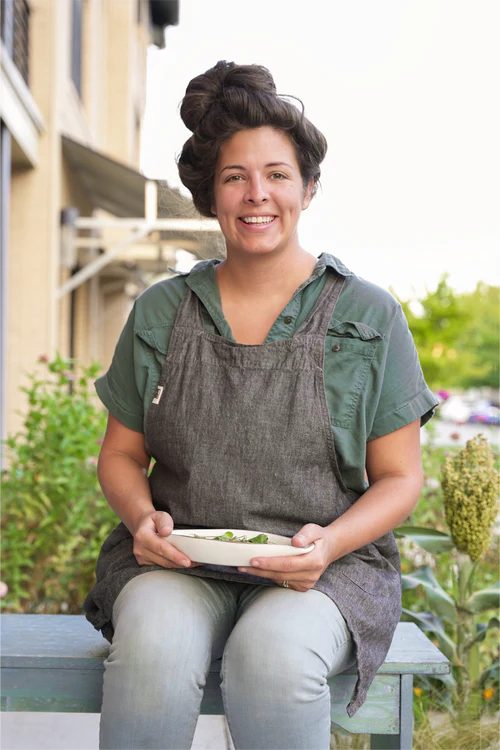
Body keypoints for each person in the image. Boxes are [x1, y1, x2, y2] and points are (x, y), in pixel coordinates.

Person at [84, 60, 439, 750]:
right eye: (234, 177)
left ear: (308, 188)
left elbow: (401, 478)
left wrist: (328, 544)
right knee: (153, 648)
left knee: (271, 661)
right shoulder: (161, 312)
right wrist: (141, 521)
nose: (257, 195)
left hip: (325, 571)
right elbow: (121, 454)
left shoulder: (368, 316)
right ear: (209, 195)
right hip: (178, 561)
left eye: (277, 174)